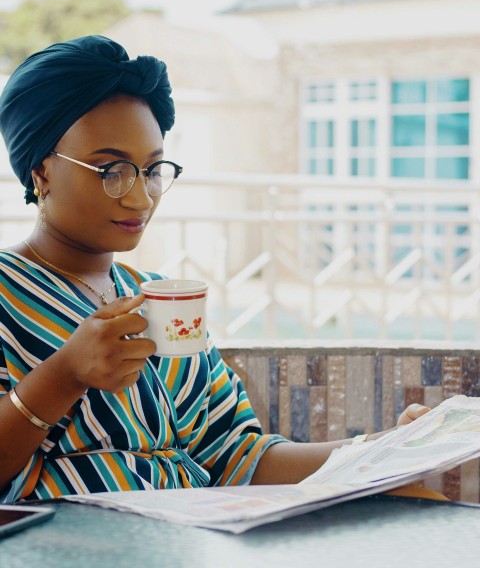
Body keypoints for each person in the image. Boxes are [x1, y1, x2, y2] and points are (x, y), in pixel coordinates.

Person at [0, 35, 429, 502]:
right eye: (111, 171)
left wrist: (382, 449)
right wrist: (64, 375)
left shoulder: (159, 296)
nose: (140, 197)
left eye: (152, 170)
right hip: (66, 547)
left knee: (414, 497)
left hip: (192, 539)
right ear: (40, 172)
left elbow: (235, 455)